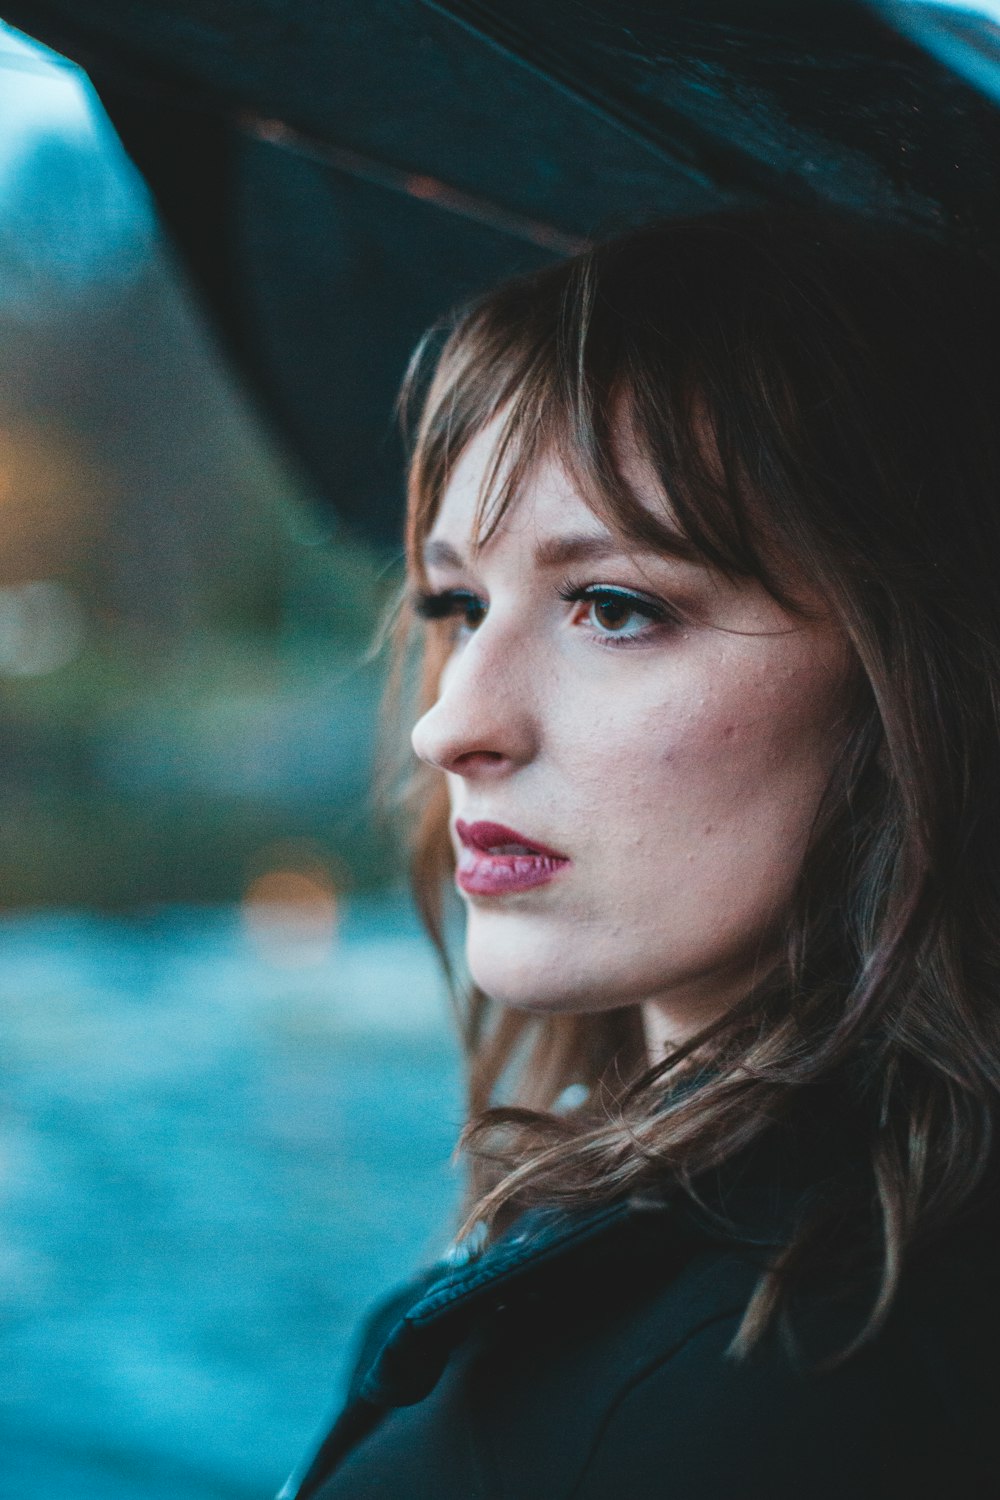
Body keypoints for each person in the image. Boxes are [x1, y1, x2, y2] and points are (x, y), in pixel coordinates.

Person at [281, 210, 1000, 1499]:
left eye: (616, 607)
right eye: (457, 604)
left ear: (926, 678)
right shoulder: (743, 1282)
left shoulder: (757, 1409)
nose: (452, 722)